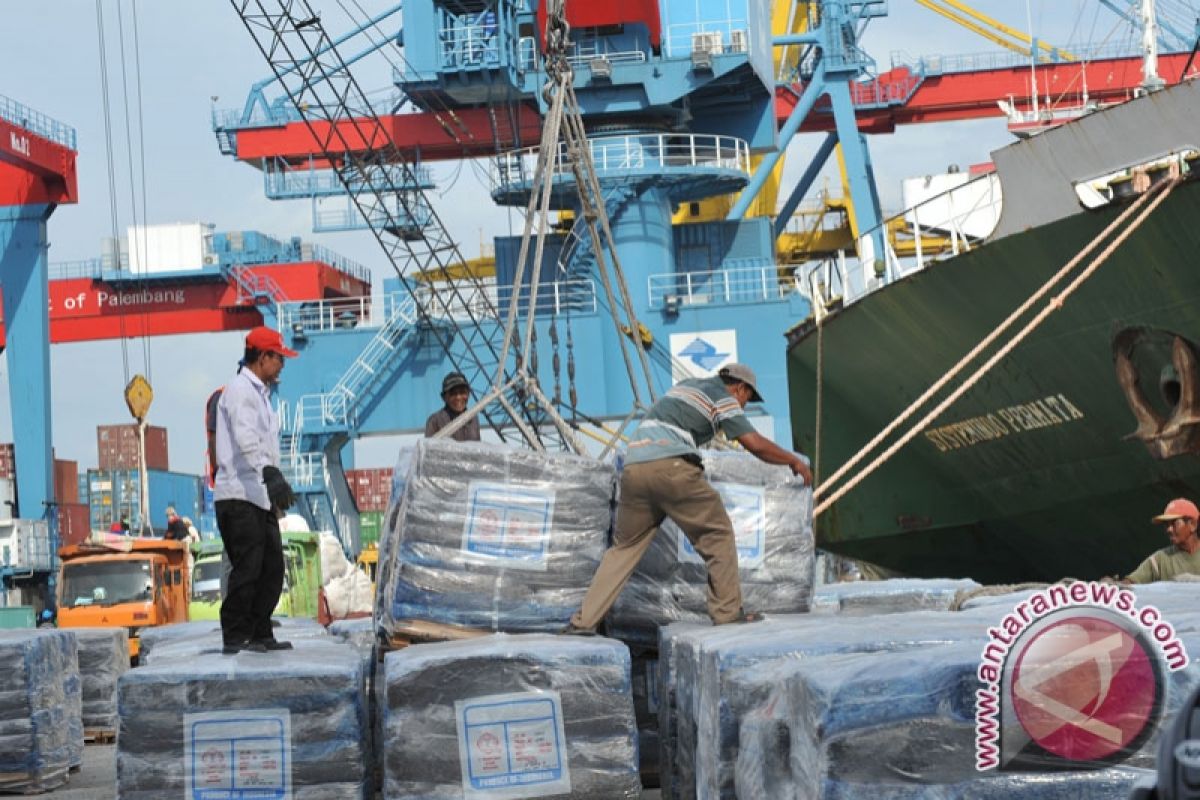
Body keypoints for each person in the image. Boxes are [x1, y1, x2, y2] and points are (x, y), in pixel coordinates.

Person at [563, 363, 812, 634]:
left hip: (634, 469)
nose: (742, 407)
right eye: (746, 400)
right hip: (671, 468)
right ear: (740, 387)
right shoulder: (723, 398)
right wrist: (793, 461)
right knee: (717, 533)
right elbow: (754, 444)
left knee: (623, 549)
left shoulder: (685, 387)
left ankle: (583, 622)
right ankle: (727, 614)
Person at [213, 326, 299, 655]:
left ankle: (261, 630)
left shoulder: (261, 396)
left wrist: (274, 486)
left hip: (258, 496)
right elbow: (245, 436)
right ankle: (236, 634)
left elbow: (264, 443)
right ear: (262, 357)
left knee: (272, 568)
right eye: (279, 358)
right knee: (248, 567)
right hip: (237, 495)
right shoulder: (238, 391)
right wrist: (268, 470)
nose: (282, 366)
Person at [1125, 498, 1200, 583]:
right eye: (1166, 525)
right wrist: (1112, 585)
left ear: (1193, 525)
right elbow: (1130, 583)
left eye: (1174, 523)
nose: (1169, 529)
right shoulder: (1160, 559)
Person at [424, 371, 481, 441]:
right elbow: (429, 449)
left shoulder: (473, 418)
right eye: (453, 393)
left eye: (462, 392)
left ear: (468, 394)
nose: (458, 397)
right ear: (443, 397)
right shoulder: (435, 421)